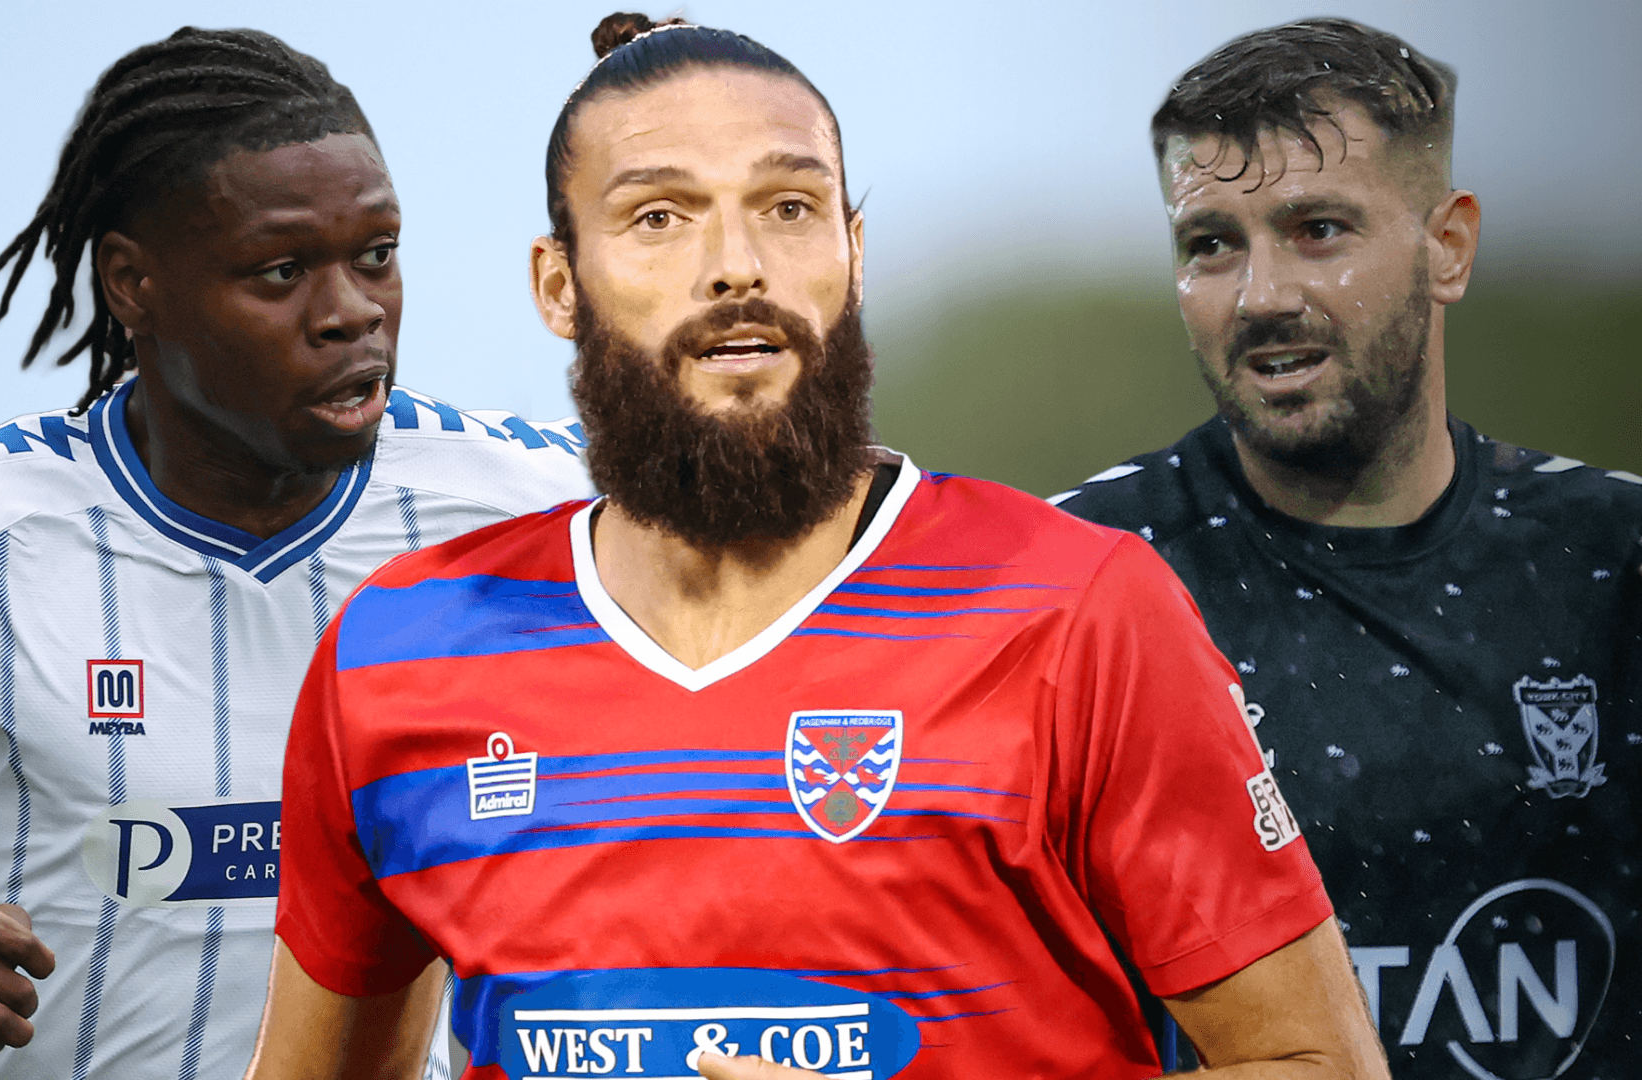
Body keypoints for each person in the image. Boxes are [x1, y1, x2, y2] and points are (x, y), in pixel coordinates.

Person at [245, 14, 1390, 1080]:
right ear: (559, 285)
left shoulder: (1081, 610)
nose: (737, 264)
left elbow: (1318, 1064)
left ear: (852, 251)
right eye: (659, 217)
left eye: (789, 207)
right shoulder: (396, 655)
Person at [0, 26, 590, 1080]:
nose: (352, 312)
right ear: (133, 283)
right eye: (282, 271)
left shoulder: (549, 510)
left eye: (376, 255)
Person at [1052, 18, 1641, 1078]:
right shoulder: (1066, 575)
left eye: (1317, 229)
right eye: (1212, 245)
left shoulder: (1616, 561)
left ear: (1447, 247)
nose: (1262, 296)